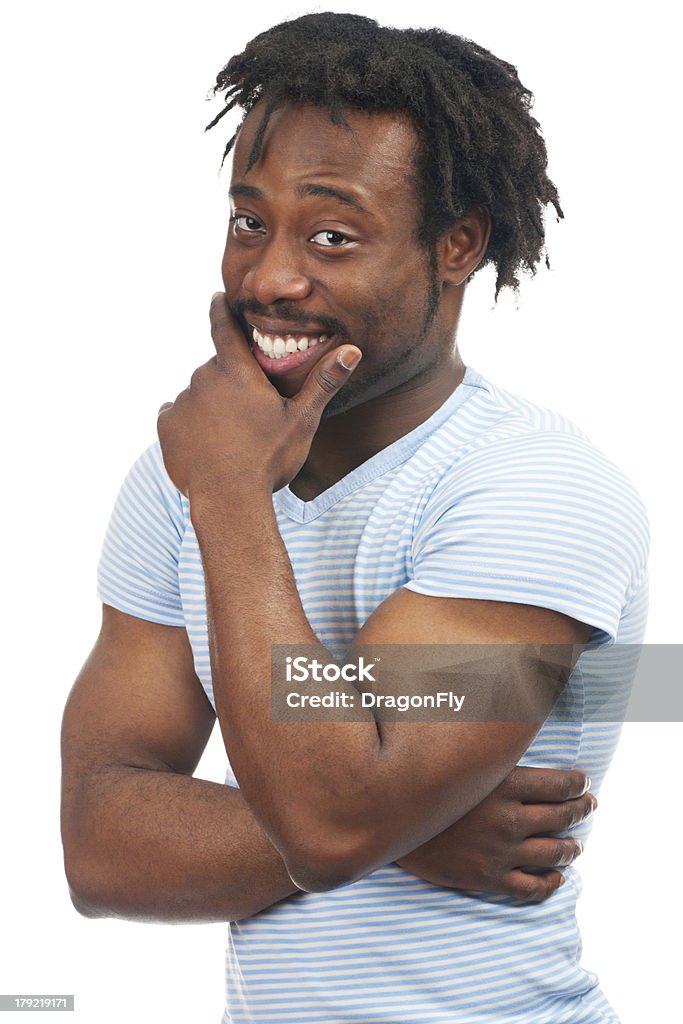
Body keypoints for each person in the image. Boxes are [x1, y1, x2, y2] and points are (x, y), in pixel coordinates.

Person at [60, 12, 648, 1023]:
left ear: (455, 245)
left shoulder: (530, 485)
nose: (269, 278)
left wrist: (234, 498)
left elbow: (330, 820)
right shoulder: (180, 477)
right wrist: (411, 833)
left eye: (332, 236)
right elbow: (99, 845)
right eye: (251, 222)